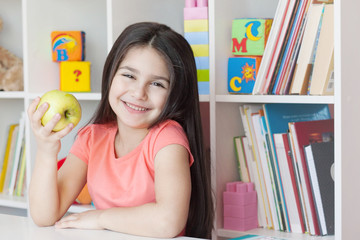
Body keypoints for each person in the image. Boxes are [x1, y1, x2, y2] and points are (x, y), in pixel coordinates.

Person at [27, 22, 214, 238]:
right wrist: (46, 149)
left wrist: (100, 218)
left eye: (157, 84)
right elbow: (44, 216)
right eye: (129, 76)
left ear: (175, 94)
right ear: (111, 75)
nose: (138, 93)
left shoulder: (167, 139)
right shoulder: (92, 137)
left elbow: (168, 222)